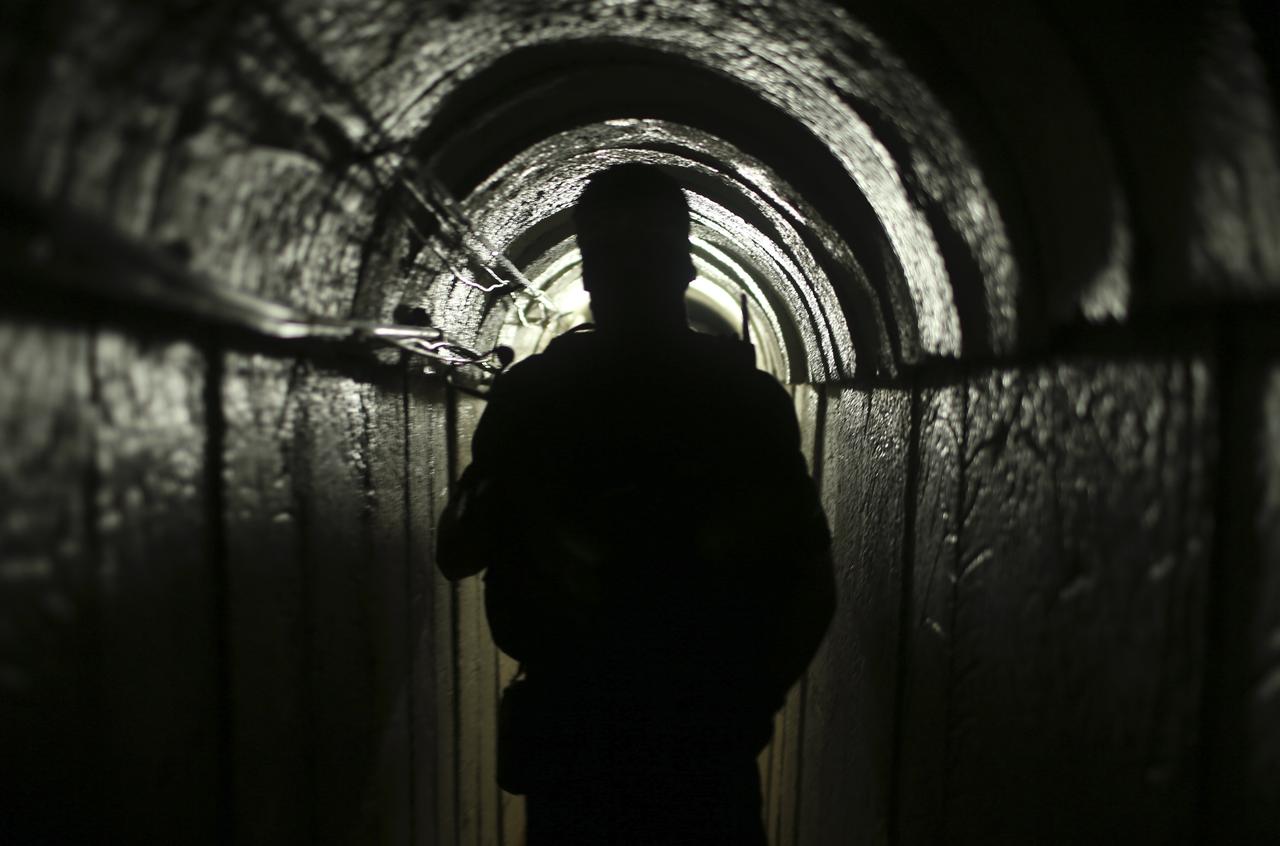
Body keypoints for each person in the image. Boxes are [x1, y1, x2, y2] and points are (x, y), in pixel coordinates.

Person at [437, 162, 835, 845]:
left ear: (588, 274)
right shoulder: (743, 401)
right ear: (685, 267)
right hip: (703, 744)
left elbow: (459, 550)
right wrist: (747, 702)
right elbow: (807, 583)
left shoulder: (537, 396)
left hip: (575, 742)